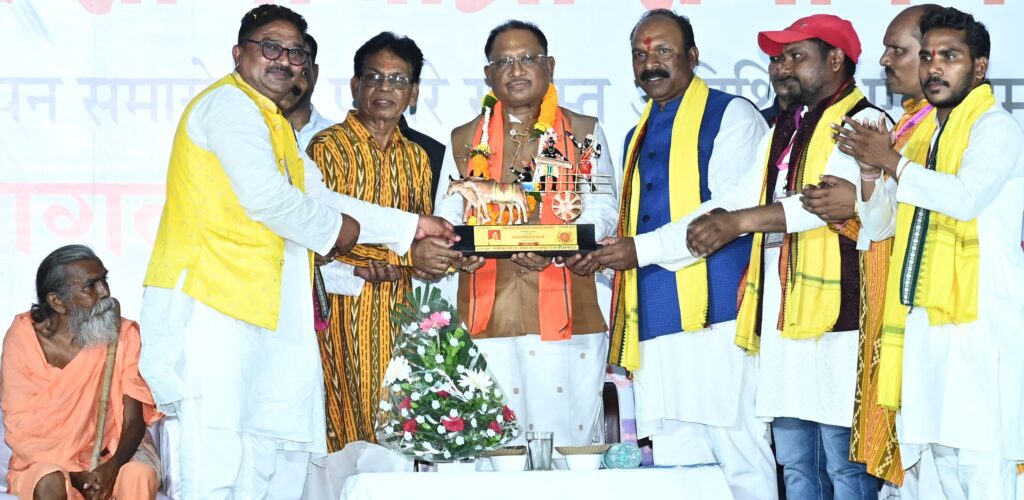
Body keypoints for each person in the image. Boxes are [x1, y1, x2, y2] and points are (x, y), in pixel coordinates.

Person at [138, 5, 455, 498]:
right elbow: (270, 200)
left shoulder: (276, 124)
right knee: (218, 459)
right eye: (271, 47)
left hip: (263, 310)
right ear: (239, 52)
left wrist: (413, 225)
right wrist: (341, 232)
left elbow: (320, 197)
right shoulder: (228, 105)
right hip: (212, 307)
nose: (284, 60)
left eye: (296, 53)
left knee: (262, 459)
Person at [686, 14, 885, 499]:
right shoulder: (787, 128)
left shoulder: (865, 123)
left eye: (796, 56)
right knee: (796, 466)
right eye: (777, 59)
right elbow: (742, 193)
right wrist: (700, 223)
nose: (780, 68)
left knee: (845, 466)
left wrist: (735, 223)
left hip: (841, 322)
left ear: (835, 60)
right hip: (785, 321)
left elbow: (817, 205)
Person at [585, 10, 774, 499]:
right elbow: (634, 225)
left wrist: (638, 249)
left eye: (664, 51)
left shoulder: (732, 115)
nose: (650, 63)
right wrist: (599, 255)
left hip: (720, 314)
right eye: (640, 54)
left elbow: (727, 208)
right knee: (675, 457)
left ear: (693, 55)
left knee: (740, 450)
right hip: (655, 315)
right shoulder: (635, 134)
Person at [838, 7, 1024, 498]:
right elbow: (880, 224)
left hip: (979, 325)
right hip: (925, 326)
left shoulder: (995, 128)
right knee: (939, 471)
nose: (934, 67)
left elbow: (964, 198)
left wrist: (893, 162)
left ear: (979, 67)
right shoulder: (926, 137)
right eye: (927, 57)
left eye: (950, 57)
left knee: (982, 473)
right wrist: (871, 172)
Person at [433, 20, 618, 447]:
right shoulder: (463, 139)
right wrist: (455, 248)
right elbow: (449, 210)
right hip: (487, 312)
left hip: (569, 311)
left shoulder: (585, 132)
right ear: (488, 74)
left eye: (527, 59)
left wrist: (560, 246)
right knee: (495, 447)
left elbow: (603, 206)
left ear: (549, 66)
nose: (516, 70)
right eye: (504, 62)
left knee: (568, 446)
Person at [800, 5, 939, 494]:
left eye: (897, 50)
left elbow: (952, 206)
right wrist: (867, 177)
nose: (883, 60)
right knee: (913, 477)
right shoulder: (904, 127)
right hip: (894, 314)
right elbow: (880, 225)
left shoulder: (967, 128)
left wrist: (880, 171)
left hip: (936, 320)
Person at [306, 31, 451, 452]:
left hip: (405, 309)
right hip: (346, 307)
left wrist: (440, 259)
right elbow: (323, 228)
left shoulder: (419, 158)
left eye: (398, 80)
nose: (385, 88)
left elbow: (421, 237)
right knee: (353, 434)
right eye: (374, 77)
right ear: (356, 85)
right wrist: (394, 258)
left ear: (414, 92)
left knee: (408, 428)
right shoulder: (327, 148)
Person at [2, 245, 161, 500]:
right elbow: (22, 430)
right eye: (91, 286)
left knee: (139, 475)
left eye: (104, 280)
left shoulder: (122, 334)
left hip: (107, 459)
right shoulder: (22, 339)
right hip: (42, 463)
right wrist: (75, 475)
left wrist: (112, 467)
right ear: (58, 302)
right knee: (50, 480)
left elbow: (134, 420)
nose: (105, 292)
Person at [279, 32, 335, 151]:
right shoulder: (252, 132)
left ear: (314, 73)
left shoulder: (339, 138)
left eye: (299, 71)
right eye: (279, 72)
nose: (287, 81)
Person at [760, 55, 798, 125]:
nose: (780, 66)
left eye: (795, 56)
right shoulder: (756, 122)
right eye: (774, 58)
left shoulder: (820, 119)